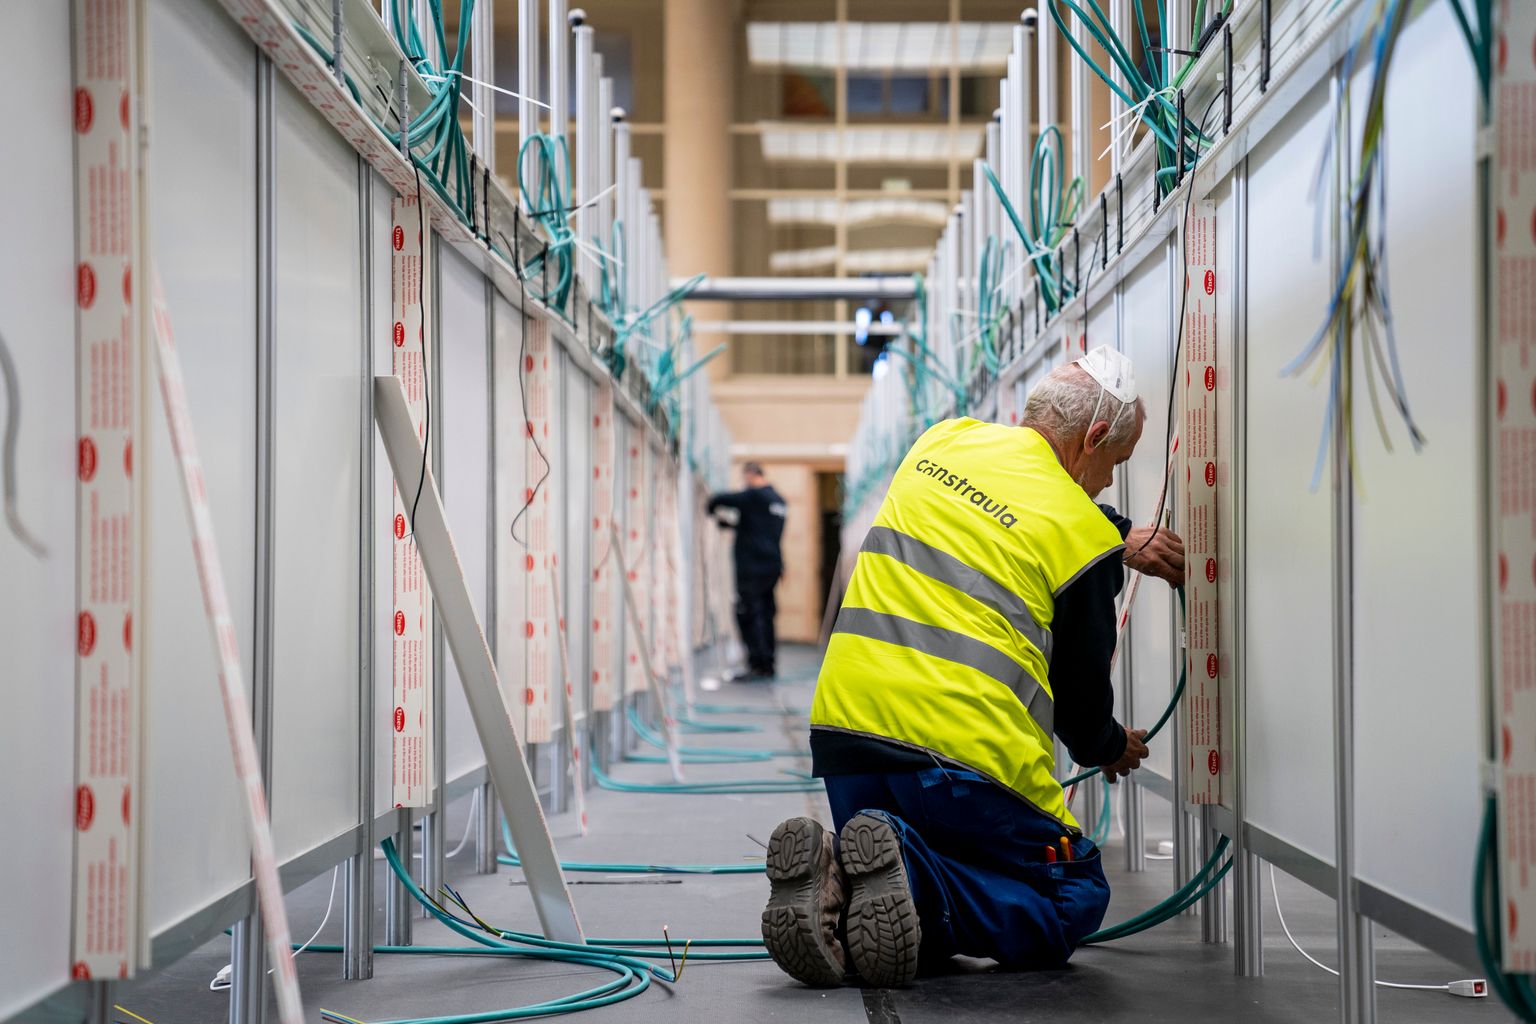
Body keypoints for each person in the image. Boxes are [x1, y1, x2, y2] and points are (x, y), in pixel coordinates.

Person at [759, 349, 1186, 988]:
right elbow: (1079, 706)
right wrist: (1110, 747)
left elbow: (1013, 500)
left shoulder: (943, 440)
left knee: (921, 915)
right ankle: (901, 868)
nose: (1105, 487)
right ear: (1094, 439)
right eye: (1113, 467)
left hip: (847, 747)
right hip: (957, 768)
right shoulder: (1084, 538)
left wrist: (1117, 534)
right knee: (1073, 891)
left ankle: (848, 885)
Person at [708, 461, 788, 681]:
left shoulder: (754, 496)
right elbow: (761, 530)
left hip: (752, 567)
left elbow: (720, 499)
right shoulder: (779, 501)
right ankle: (767, 663)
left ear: (751, 476)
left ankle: (756, 663)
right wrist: (735, 527)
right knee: (766, 613)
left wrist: (710, 509)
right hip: (772, 566)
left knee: (749, 614)